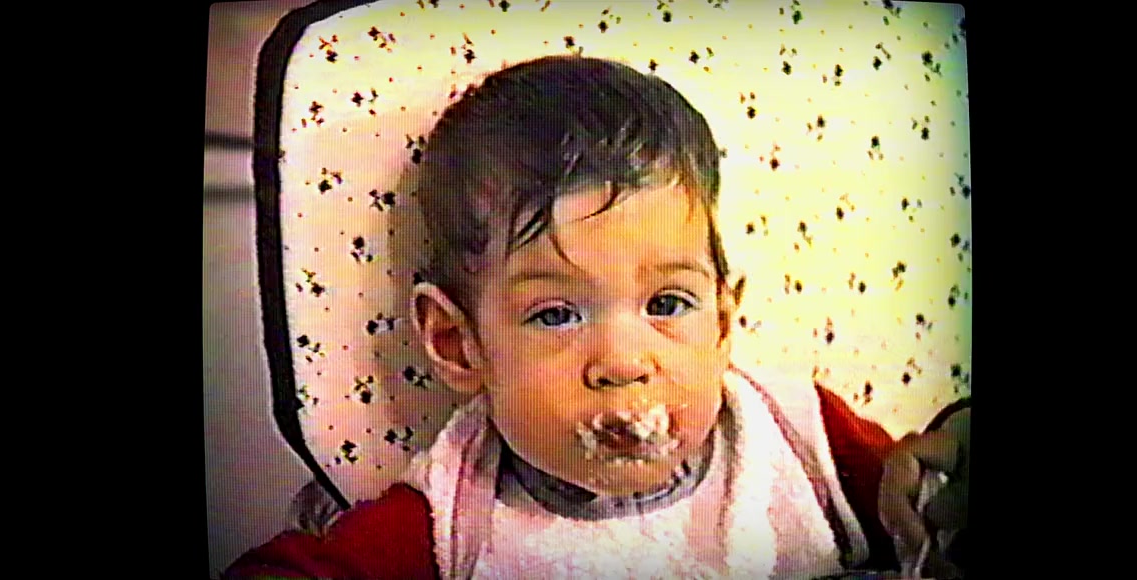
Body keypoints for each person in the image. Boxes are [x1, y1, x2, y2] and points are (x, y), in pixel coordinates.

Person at [225, 54, 968, 580]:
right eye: (556, 315)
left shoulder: (799, 439)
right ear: (459, 345)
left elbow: (931, 500)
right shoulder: (452, 515)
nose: (622, 363)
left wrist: (938, 486)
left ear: (721, 324)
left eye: (667, 304)